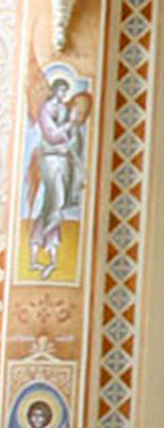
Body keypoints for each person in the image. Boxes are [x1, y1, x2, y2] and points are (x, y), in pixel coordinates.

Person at [25, 75, 90, 280]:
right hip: (50, 159)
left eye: (65, 93)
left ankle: (47, 254)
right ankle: (38, 252)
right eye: (62, 92)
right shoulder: (46, 109)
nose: (64, 96)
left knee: (53, 205)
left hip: (62, 159)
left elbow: (70, 136)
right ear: (55, 91)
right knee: (55, 200)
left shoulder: (62, 109)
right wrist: (69, 127)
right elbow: (52, 134)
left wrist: (71, 131)